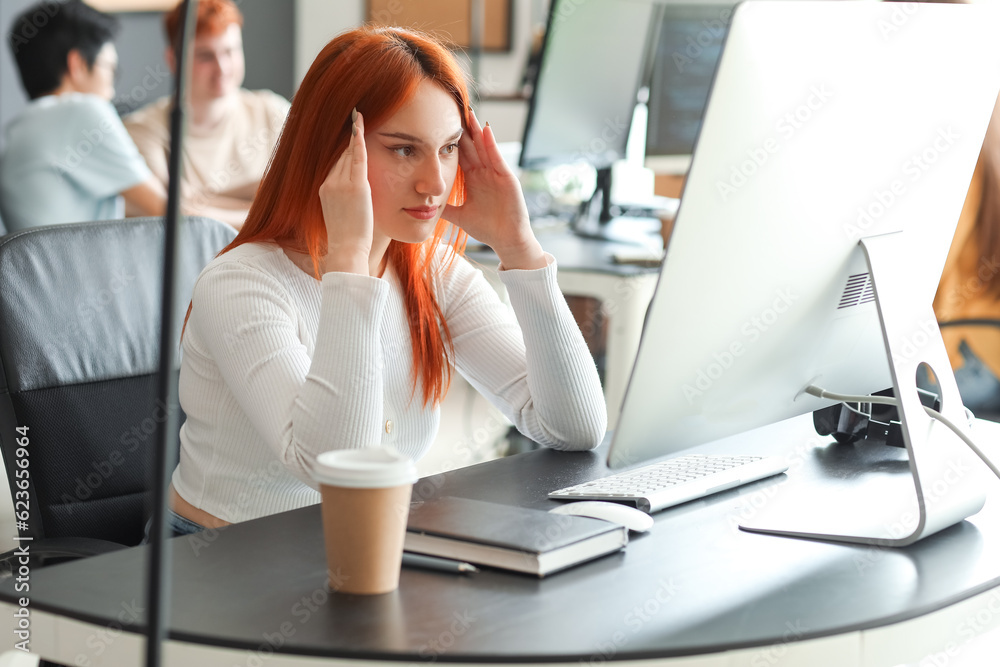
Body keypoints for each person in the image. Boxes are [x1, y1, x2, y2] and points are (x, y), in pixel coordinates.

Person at [166, 26, 608, 534]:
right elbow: (332, 467)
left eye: (446, 149)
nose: (435, 184)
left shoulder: (431, 272)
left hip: (368, 547)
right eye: (403, 149)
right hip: (224, 564)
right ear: (332, 152)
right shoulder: (241, 284)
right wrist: (350, 258)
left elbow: (573, 427)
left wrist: (519, 248)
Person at [0, 0, 165, 233]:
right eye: (110, 70)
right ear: (76, 64)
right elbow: (171, 212)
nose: (112, 90)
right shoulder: (81, 112)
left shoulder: (20, 130)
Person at [124, 0, 290, 230]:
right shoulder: (143, 130)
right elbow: (177, 216)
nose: (222, 67)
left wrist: (200, 203)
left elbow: (303, 200)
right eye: (205, 56)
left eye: (230, 51)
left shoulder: (272, 111)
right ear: (173, 60)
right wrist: (265, 207)